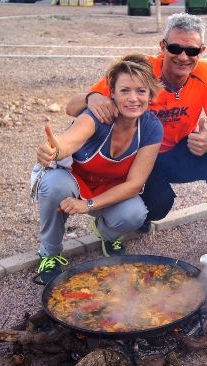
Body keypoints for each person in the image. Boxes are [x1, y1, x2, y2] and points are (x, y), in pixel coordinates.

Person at [65, 13, 207, 253]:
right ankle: (115, 223)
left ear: (202, 50)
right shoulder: (141, 70)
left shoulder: (206, 74)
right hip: (138, 156)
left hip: (177, 151)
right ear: (163, 46)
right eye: (175, 48)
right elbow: (71, 107)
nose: (183, 56)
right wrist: (92, 96)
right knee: (158, 206)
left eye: (192, 51)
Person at [32, 54, 164, 284]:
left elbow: (134, 183)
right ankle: (49, 253)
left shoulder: (152, 127)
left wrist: (87, 205)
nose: (133, 98)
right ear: (111, 92)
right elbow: (70, 140)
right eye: (125, 91)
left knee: (135, 214)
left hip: (108, 189)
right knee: (53, 185)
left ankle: (106, 234)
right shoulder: (98, 115)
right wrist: (54, 149)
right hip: (74, 180)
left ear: (151, 95)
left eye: (141, 91)